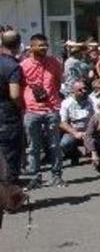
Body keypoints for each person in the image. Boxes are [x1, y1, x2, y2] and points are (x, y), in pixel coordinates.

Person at [21, 34, 64, 188]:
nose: (44, 48)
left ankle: (57, 175)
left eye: (46, 45)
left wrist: (53, 99)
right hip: (31, 110)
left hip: (51, 109)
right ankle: (35, 177)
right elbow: (19, 87)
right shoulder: (24, 65)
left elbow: (58, 82)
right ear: (31, 47)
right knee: (33, 146)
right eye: (40, 45)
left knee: (54, 145)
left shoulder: (54, 63)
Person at [0, 30, 23, 185]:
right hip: (7, 117)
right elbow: (15, 94)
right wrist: (21, 107)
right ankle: (10, 198)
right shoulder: (13, 66)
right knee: (10, 156)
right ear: (18, 45)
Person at [58, 80, 95, 165]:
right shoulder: (66, 103)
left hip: (89, 130)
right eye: (80, 90)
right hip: (74, 131)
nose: (84, 91)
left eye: (85, 88)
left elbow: (97, 116)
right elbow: (62, 122)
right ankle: (75, 154)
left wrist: (90, 131)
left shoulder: (91, 100)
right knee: (64, 143)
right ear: (73, 91)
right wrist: (75, 133)